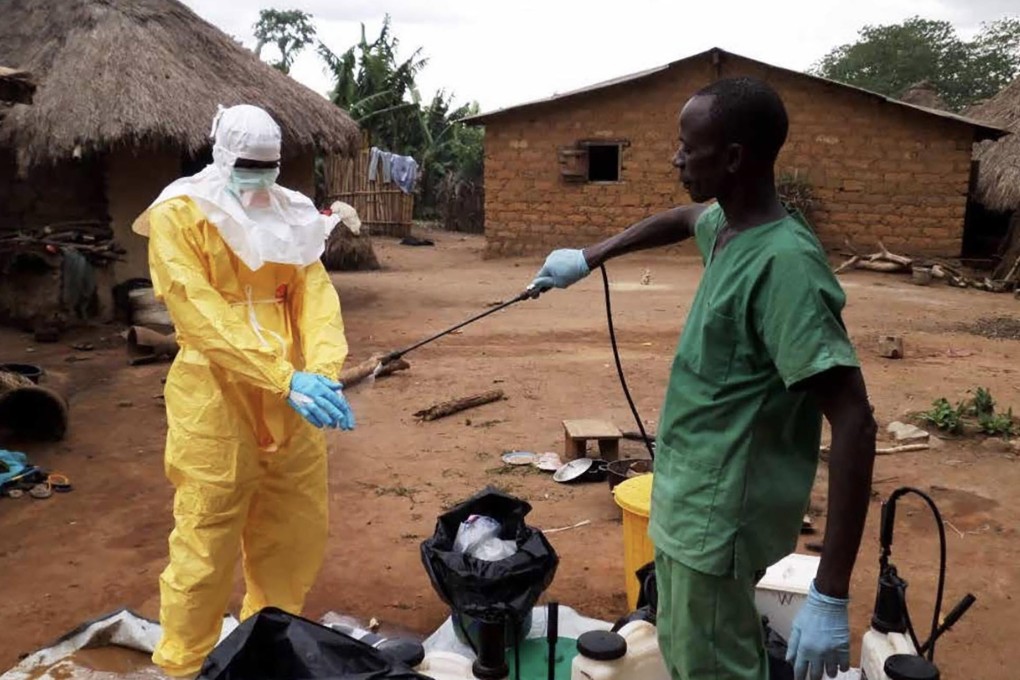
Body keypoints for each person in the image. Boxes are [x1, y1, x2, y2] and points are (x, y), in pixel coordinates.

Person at [531, 77, 877, 680]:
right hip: (686, 496)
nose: (677, 158)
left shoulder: (785, 266)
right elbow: (683, 217)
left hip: (718, 522)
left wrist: (831, 590)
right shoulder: (727, 223)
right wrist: (590, 256)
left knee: (712, 666)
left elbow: (853, 419)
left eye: (689, 147)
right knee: (688, 650)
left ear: (735, 157)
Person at [132, 104, 356, 677]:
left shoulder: (293, 215)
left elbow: (315, 296)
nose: (260, 176)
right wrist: (281, 376)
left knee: (292, 533)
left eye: (270, 166)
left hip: (294, 399)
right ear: (223, 156)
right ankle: (184, 664)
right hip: (217, 395)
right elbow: (198, 311)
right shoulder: (180, 215)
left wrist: (323, 370)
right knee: (205, 540)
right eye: (250, 165)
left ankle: (266, 646)